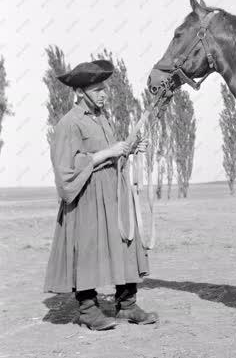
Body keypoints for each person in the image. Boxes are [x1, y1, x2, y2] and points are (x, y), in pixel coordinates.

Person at [44, 59, 158, 331]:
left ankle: (127, 305)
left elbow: (110, 155)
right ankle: (88, 310)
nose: (104, 93)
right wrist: (107, 153)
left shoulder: (103, 118)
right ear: (80, 92)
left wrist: (128, 149)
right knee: (87, 251)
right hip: (85, 197)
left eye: (105, 88)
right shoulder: (68, 124)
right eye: (97, 90)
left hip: (112, 194)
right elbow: (65, 170)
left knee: (126, 245)